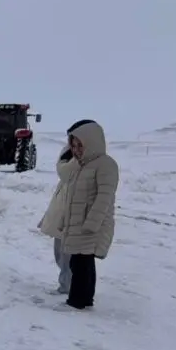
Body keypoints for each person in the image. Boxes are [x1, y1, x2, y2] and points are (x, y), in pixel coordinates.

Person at [45, 119, 118, 309]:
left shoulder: (105, 165)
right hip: (78, 223)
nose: (76, 149)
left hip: (90, 224)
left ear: (91, 142)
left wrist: (91, 224)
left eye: (80, 145)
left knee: (82, 263)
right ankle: (83, 299)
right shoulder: (82, 165)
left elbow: (104, 197)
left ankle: (77, 301)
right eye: (73, 145)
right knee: (80, 262)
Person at [38, 144, 78, 294]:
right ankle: (67, 283)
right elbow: (58, 201)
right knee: (59, 255)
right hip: (60, 221)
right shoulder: (66, 177)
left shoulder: (79, 172)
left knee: (68, 257)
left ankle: (67, 286)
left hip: (71, 222)